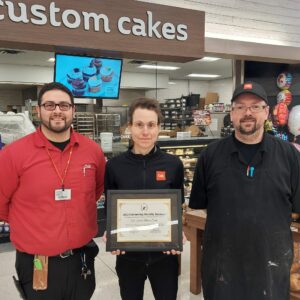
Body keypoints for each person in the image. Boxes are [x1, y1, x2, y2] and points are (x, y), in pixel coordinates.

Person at [189, 81, 300, 300]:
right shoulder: (210, 156)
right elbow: (198, 204)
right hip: (221, 265)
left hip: (272, 264)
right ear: (231, 113)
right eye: (240, 107)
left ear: (267, 112)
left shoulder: (289, 156)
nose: (247, 113)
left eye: (255, 106)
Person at [0, 82, 106, 300]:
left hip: (82, 258)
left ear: (73, 110)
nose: (57, 110)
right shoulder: (13, 154)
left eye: (64, 105)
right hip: (38, 262)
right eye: (50, 105)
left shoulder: (92, 151)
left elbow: (94, 192)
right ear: (38, 110)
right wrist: (33, 225)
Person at [104, 97, 184, 300]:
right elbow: (110, 206)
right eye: (139, 125)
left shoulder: (173, 164)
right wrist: (111, 233)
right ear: (129, 127)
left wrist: (177, 232)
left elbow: (177, 205)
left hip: (164, 257)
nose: (145, 131)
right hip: (128, 257)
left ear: (159, 127)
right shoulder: (114, 166)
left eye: (151, 125)